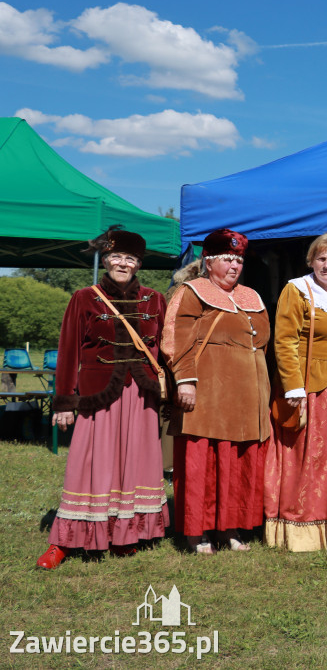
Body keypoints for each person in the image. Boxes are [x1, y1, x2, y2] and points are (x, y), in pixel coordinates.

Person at [37, 227, 169, 569]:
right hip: (98, 394)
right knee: (87, 464)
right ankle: (64, 541)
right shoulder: (84, 297)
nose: (123, 263)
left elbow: (166, 350)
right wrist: (64, 403)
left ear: (139, 263)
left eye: (130, 258)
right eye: (116, 257)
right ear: (106, 259)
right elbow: (68, 351)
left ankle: (125, 535)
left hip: (140, 395)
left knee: (135, 463)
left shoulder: (155, 299)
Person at [166, 228, 271, 555]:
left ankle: (230, 528)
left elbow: (263, 343)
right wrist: (185, 380)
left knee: (237, 465)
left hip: (246, 396)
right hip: (209, 394)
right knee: (204, 463)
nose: (234, 265)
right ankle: (197, 533)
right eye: (227, 259)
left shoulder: (251, 295)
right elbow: (176, 339)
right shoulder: (192, 292)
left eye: (238, 259)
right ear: (208, 261)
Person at [264, 233, 327, 551]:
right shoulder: (297, 290)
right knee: (311, 456)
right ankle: (302, 526)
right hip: (311, 385)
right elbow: (285, 340)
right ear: (311, 261)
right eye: (321, 258)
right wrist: (293, 385)